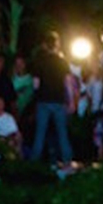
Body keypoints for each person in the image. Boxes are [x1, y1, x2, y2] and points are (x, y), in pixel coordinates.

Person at [27, 36, 75, 165]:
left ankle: (34, 163)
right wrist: (71, 101)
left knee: (40, 133)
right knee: (62, 133)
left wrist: (35, 99)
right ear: (56, 45)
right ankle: (67, 161)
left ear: (45, 46)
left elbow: (35, 84)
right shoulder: (62, 61)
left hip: (43, 100)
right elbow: (68, 82)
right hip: (59, 100)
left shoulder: (40, 62)